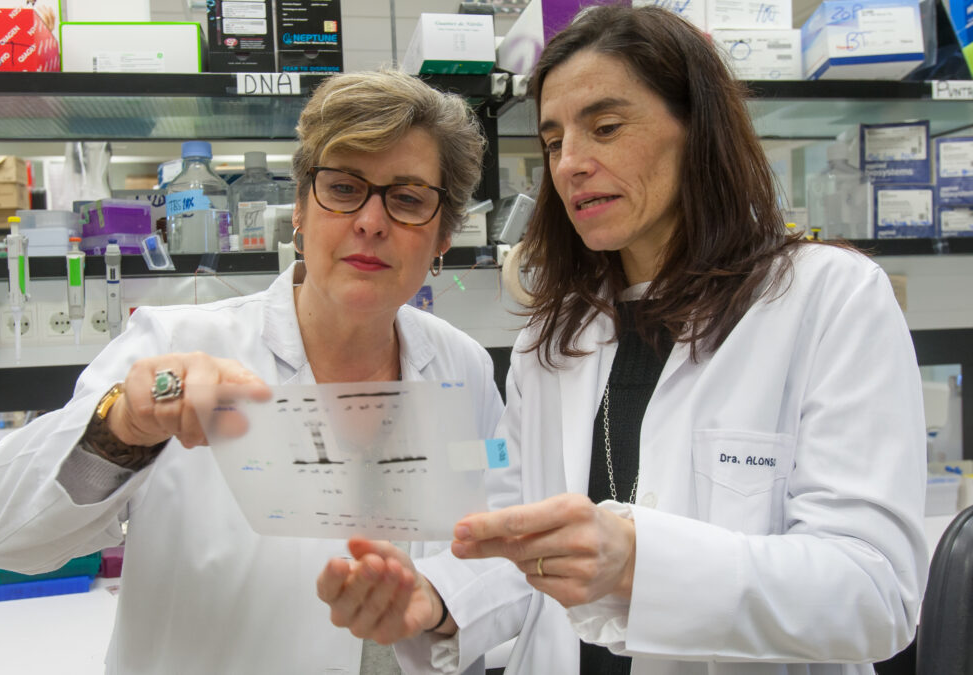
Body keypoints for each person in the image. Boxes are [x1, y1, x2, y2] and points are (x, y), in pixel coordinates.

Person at [316, 6, 929, 674]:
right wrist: (435, 599)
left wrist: (639, 562)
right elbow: (522, 555)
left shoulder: (829, 301)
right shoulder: (551, 342)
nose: (572, 163)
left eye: (605, 127)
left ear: (699, 131)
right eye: (553, 141)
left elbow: (875, 590)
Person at [0, 70, 504, 674]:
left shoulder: (464, 369)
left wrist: (438, 600)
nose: (371, 222)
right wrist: (124, 429)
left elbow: (500, 545)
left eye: (406, 199)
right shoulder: (177, 345)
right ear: (299, 209)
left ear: (444, 236)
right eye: (344, 188)